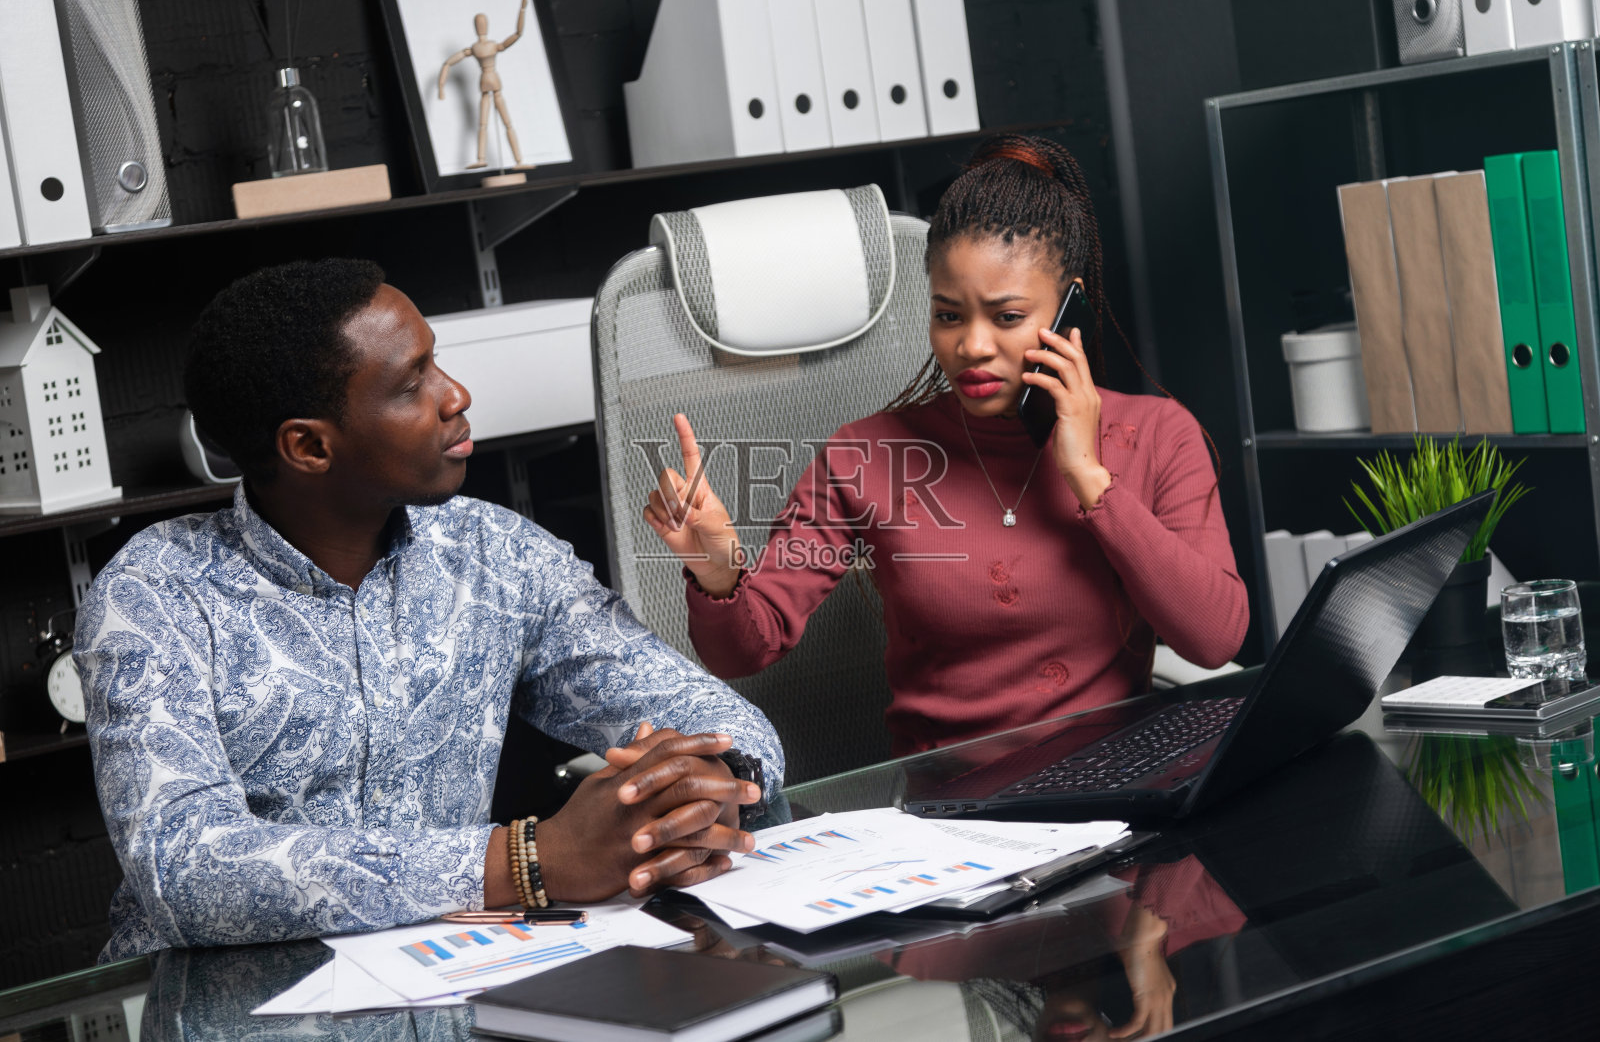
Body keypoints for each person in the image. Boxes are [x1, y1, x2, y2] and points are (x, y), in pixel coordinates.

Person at [78, 259, 784, 961]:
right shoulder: (154, 594)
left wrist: (706, 789)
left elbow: (721, 721)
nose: (456, 395)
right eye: (413, 383)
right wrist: (529, 858)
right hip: (215, 1009)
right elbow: (185, 870)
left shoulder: (494, 552)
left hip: (446, 982)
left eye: (436, 364)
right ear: (309, 446)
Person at [646, 134, 1249, 754]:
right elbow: (747, 650)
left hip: (1117, 792)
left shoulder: (1157, 434)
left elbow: (1215, 639)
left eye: (1007, 317)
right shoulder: (867, 455)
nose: (973, 346)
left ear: (1070, 306)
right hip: (949, 814)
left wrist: (1089, 477)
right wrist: (716, 575)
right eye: (950, 315)